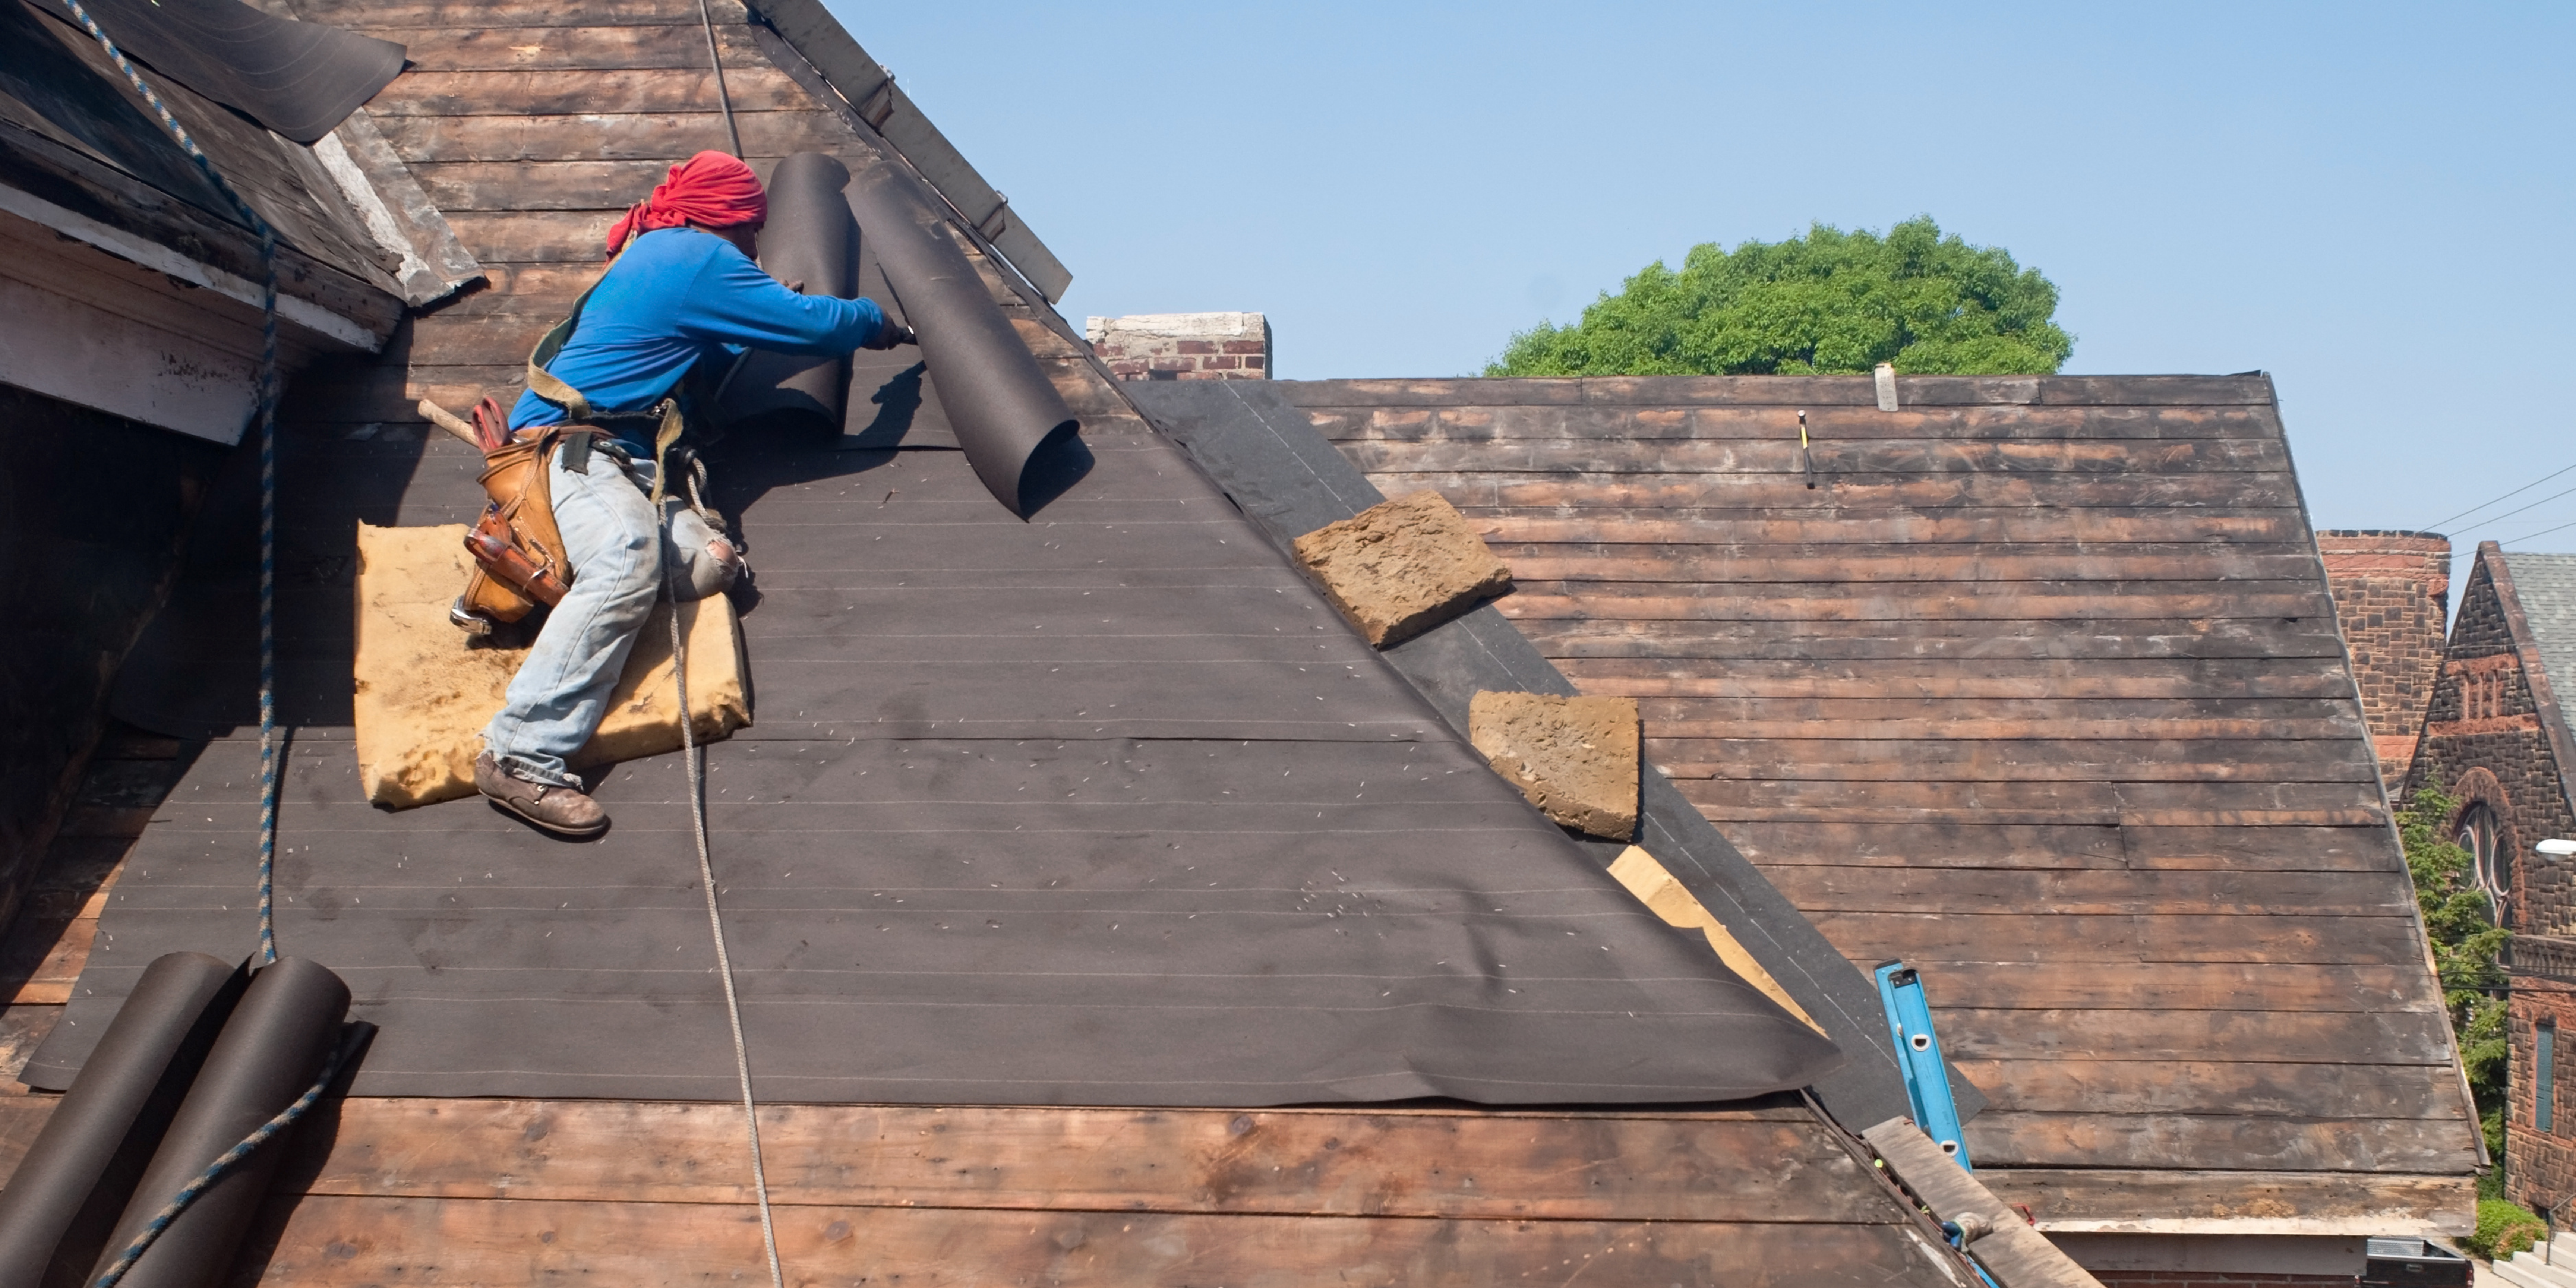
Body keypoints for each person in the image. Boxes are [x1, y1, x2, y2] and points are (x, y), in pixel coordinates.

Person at [475, 151, 910, 837]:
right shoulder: (691, 255)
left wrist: (751, 318)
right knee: (627, 557)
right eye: (752, 232)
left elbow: (678, 354)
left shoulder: (663, 255)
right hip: (569, 451)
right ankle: (521, 753)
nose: (756, 247)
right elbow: (818, 326)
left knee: (712, 563)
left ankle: (564, 594)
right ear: (730, 221)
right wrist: (874, 322)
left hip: (624, 464)